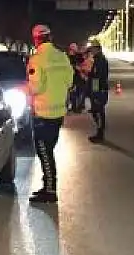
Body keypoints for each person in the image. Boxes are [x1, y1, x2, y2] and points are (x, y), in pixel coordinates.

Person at [27, 24, 74, 203]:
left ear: (36, 39)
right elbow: (70, 82)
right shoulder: (62, 57)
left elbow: (36, 86)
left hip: (42, 114)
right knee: (48, 150)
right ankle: (48, 186)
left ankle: (50, 189)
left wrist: (27, 89)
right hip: (58, 113)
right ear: (50, 37)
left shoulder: (37, 59)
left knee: (44, 152)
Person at [85, 39, 110, 143]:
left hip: (99, 90)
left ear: (97, 49)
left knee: (98, 112)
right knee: (97, 111)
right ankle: (100, 132)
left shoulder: (100, 60)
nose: (91, 51)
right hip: (99, 89)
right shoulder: (98, 59)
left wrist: (94, 92)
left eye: (92, 49)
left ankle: (100, 134)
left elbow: (97, 77)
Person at [66, 43, 86, 113]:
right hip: (73, 78)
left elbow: (82, 65)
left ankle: (79, 107)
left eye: (73, 49)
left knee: (79, 93)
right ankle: (75, 107)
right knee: (73, 94)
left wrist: (79, 68)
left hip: (79, 78)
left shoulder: (79, 57)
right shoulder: (68, 57)